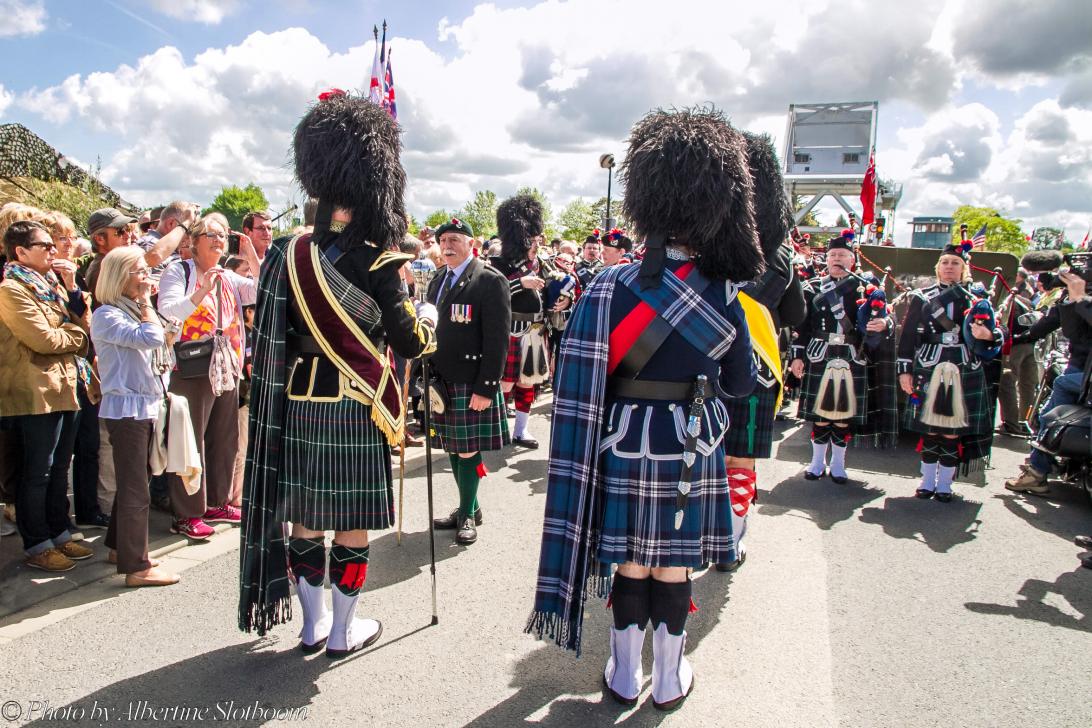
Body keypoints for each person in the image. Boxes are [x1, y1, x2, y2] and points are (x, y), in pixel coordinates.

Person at [527, 107, 762, 711]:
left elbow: (581, 380)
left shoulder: (610, 285)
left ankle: (625, 672)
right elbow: (741, 386)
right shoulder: (725, 295)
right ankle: (670, 674)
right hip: (693, 441)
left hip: (625, 437)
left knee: (630, 560)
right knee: (674, 565)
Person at [239, 91, 437, 658]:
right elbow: (408, 342)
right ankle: (344, 631)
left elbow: (269, 336)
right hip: (356, 403)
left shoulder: (285, 252)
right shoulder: (380, 258)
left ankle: (311, 624)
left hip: (299, 401)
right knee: (350, 520)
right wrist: (426, 320)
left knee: (306, 517)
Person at [720, 131, 806, 571]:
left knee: (704, 455)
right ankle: (732, 541)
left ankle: (702, 533)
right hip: (756, 364)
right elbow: (795, 312)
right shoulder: (781, 253)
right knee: (740, 457)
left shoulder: (708, 244)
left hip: (706, 357)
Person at [0, 221, 96, 572]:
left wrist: (72, 292)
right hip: (34, 392)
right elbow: (44, 339)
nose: (54, 250)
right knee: (36, 471)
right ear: (20, 252)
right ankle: (36, 543)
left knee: (58, 469)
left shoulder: (50, 285)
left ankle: (58, 532)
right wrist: (74, 334)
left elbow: (83, 323)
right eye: (45, 246)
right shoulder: (11, 290)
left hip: (65, 386)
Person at [157, 213, 260, 539]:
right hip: (190, 365)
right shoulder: (180, 270)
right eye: (211, 236)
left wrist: (254, 258)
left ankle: (216, 500)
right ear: (194, 241)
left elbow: (259, 291)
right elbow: (168, 309)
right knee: (190, 442)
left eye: (221, 237)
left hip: (224, 366)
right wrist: (201, 291)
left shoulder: (228, 277)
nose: (218, 241)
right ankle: (187, 514)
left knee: (223, 438)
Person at [91, 247, 181, 587]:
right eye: (140, 272)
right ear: (119, 276)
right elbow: (150, 337)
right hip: (126, 409)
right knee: (134, 490)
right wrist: (147, 303)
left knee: (137, 482)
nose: (147, 278)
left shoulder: (129, 311)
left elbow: (161, 344)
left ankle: (119, 546)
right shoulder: (107, 315)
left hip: (143, 405)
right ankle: (137, 565)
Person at [426, 217, 511, 545]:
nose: (447, 245)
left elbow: (497, 339)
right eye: (443, 240)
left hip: (471, 380)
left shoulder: (489, 280)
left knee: (467, 450)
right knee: (451, 445)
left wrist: (486, 386)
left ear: (471, 245)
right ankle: (469, 507)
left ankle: (466, 515)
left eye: (455, 240)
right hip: (441, 380)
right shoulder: (437, 280)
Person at [790, 231, 897, 484]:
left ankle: (838, 464)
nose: (837, 259)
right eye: (833, 255)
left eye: (842, 255)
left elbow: (886, 318)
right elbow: (801, 327)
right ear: (826, 259)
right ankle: (816, 463)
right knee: (820, 414)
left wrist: (885, 324)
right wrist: (797, 356)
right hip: (820, 355)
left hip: (852, 356)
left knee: (842, 416)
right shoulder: (812, 288)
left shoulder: (866, 287)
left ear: (852, 260)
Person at [897, 242, 1002, 501]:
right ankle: (926, 481)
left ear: (964, 268)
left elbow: (998, 333)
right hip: (930, 365)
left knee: (952, 430)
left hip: (964, 365)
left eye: (955, 263)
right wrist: (904, 371)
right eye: (944, 263)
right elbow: (908, 338)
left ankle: (945, 484)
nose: (949, 267)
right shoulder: (922, 297)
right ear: (937, 268)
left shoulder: (978, 298)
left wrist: (988, 334)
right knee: (931, 428)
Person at [1003, 269, 1092, 494]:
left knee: (1053, 409)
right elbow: (1052, 324)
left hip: (1083, 373)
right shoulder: (1071, 296)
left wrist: (1080, 298)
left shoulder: (1082, 297)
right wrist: (1015, 339)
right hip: (1080, 365)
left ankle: (1036, 471)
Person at [490, 195, 560, 448]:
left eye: (538, 238)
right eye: (532, 238)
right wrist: (521, 283)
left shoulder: (542, 263)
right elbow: (491, 294)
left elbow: (557, 289)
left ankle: (521, 430)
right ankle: (498, 428)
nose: (537, 242)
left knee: (528, 381)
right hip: (511, 329)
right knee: (505, 382)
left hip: (536, 330)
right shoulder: (499, 263)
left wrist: (564, 298)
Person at [997, 269, 1039, 436]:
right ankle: (1025, 422)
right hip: (1030, 344)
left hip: (1014, 345)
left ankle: (1012, 423)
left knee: (1006, 382)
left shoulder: (1008, 302)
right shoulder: (1025, 300)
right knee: (1027, 386)